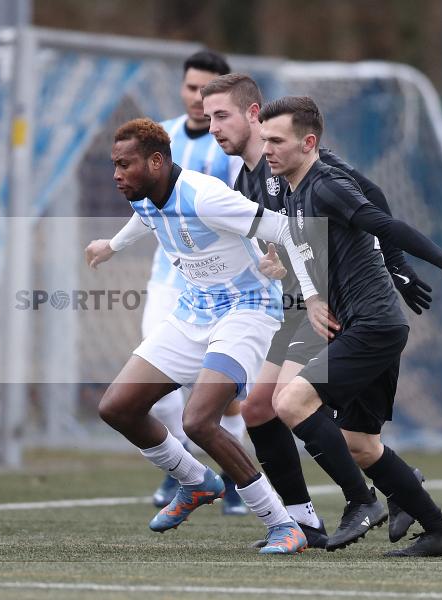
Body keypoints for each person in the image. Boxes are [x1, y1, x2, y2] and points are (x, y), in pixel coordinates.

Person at [257, 96, 442, 557]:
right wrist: (304, 290)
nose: (266, 148)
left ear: (308, 143)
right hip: (363, 326)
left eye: (276, 140)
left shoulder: (326, 184)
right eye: (264, 139)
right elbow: (307, 249)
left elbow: (383, 223)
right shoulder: (293, 190)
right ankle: (439, 532)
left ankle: (362, 502)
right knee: (361, 445)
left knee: (289, 401)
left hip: (375, 324)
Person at [200, 73, 431, 549]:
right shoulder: (247, 180)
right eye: (207, 119)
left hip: (327, 304)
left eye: (221, 116)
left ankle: (363, 498)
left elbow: (372, 202)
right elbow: (289, 240)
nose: (214, 127)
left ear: (252, 114)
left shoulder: (305, 161)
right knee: (260, 410)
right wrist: (273, 261)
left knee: (287, 405)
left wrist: (398, 265)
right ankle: (313, 516)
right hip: (297, 303)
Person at [85, 118, 316, 554]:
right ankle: (195, 482)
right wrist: (112, 246)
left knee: (198, 420)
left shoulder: (206, 197)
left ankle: (283, 525)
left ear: (156, 162)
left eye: (124, 165)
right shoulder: (145, 194)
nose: (116, 174)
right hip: (194, 310)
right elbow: (145, 219)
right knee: (117, 408)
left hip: (247, 311)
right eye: (113, 164)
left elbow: (285, 229)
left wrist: (303, 286)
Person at [143, 50, 248, 515]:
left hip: (223, 288)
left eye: (207, 92)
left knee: (222, 396)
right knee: (154, 387)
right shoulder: (159, 139)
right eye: (191, 88)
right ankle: (187, 472)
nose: (196, 99)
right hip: (168, 281)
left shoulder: (230, 149)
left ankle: (233, 476)